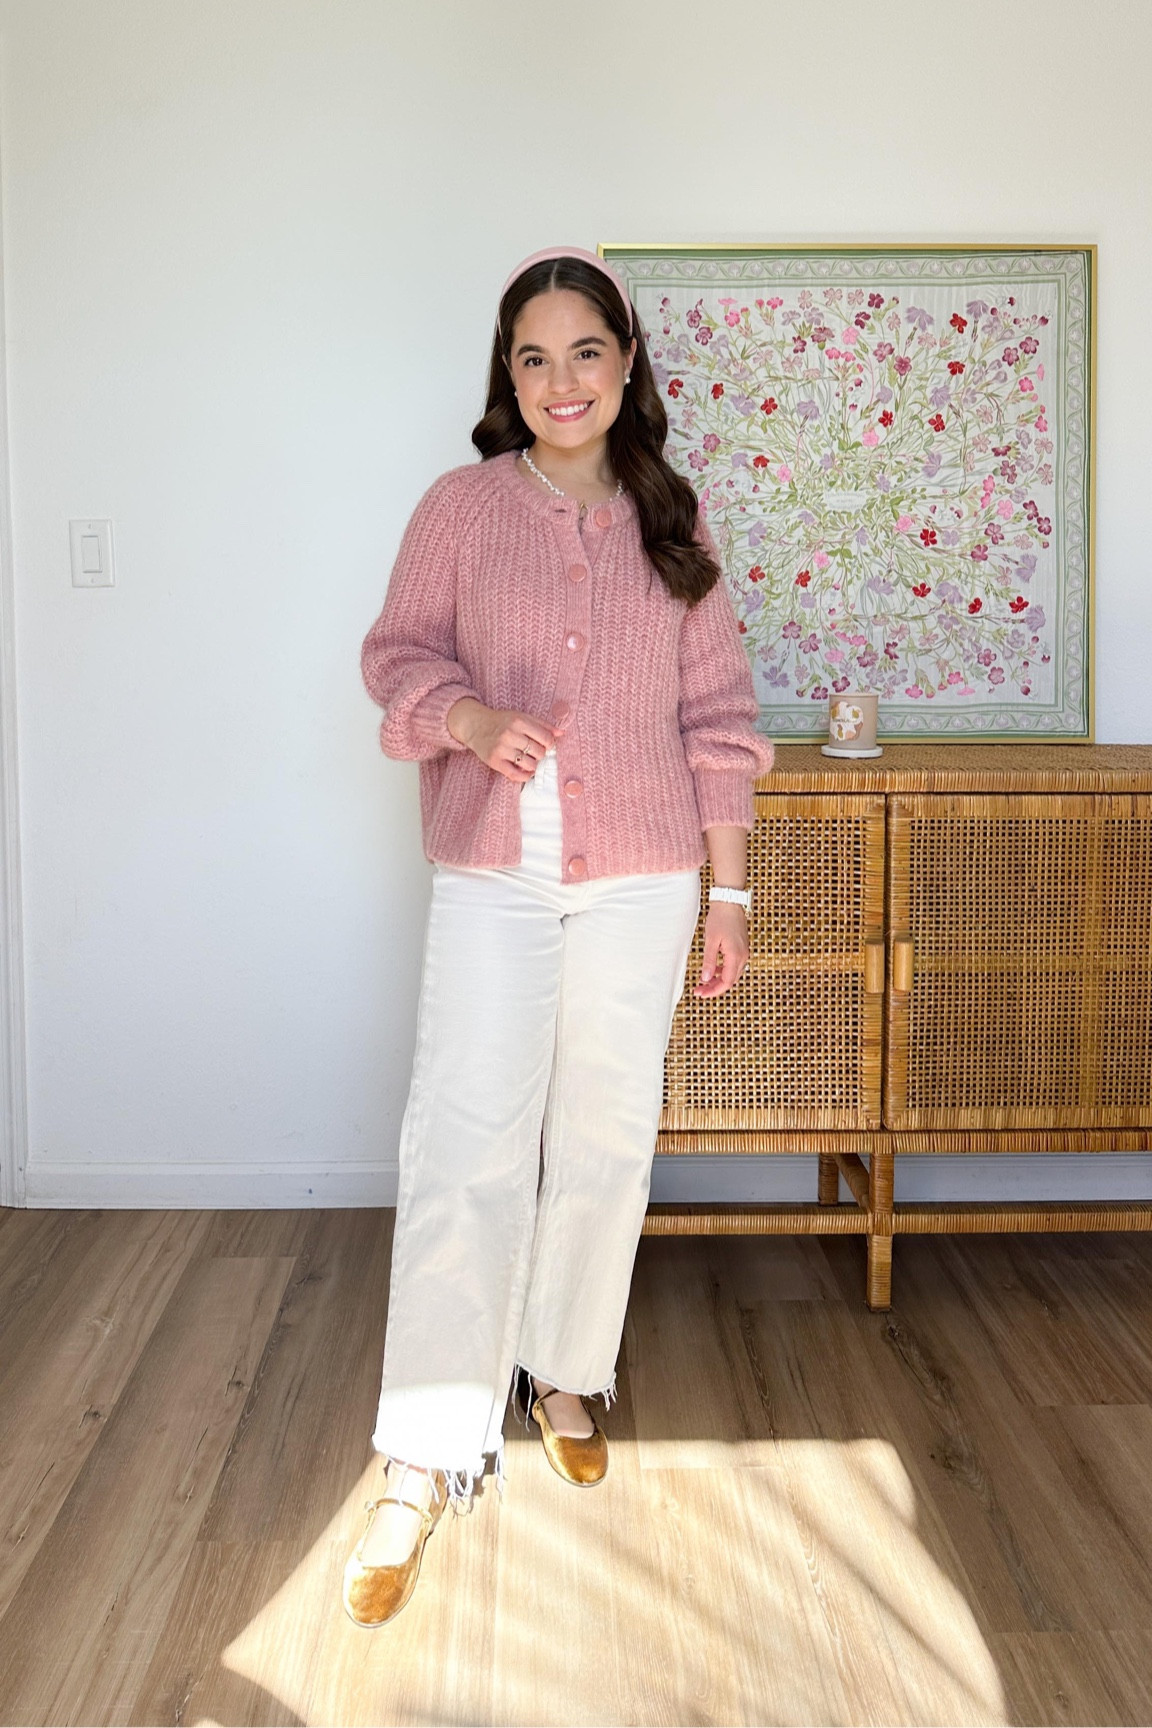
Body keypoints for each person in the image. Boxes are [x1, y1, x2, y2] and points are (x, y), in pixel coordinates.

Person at [343, 245, 775, 1628]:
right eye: (532, 358)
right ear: (507, 379)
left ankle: (567, 1367)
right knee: (465, 1141)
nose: (560, 380)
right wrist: (466, 719)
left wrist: (731, 895)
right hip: (497, 870)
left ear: (627, 363)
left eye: (584, 351)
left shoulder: (672, 523)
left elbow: (718, 725)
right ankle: (421, 1445)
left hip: (646, 879)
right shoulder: (462, 510)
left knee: (605, 1131)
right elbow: (395, 657)